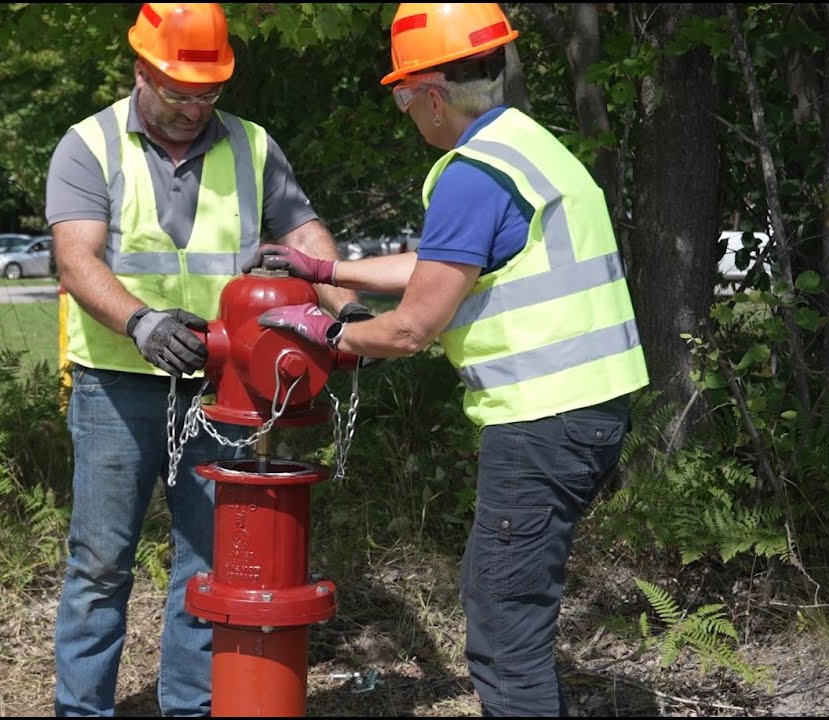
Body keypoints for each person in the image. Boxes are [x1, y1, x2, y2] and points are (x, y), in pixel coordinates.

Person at [245, 3, 650, 716]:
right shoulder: (528, 147)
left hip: (539, 424)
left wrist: (324, 333)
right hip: (590, 412)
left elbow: (409, 330)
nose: (407, 113)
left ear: (431, 94)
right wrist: (328, 270)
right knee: (512, 607)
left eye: (404, 96)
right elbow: (441, 264)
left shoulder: (471, 174)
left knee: (502, 631)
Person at [43, 3, 366, 715]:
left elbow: (307, 237)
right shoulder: (89, 145)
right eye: (177, 92)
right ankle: (83, 709)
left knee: (211, 560)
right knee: (100, 565)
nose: (193, 108)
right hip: (117, 386)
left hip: (226, 386)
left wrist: (345, 311)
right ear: (142, 72)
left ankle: (190, 707)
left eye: (208, 93)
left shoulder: (253, 146)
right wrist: (141, 320)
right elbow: (75, 257)